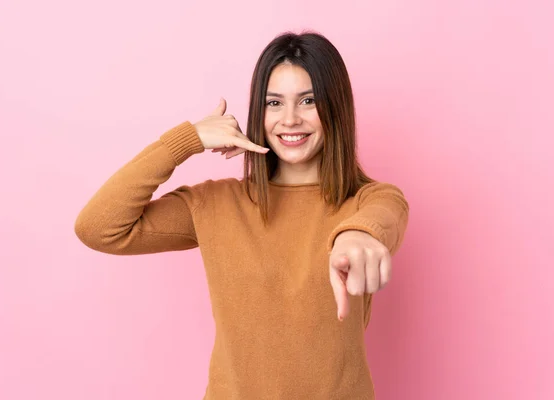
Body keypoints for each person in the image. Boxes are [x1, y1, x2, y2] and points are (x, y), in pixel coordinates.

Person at [75, 31, 409, 400]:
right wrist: (186, 141)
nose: (291, 119)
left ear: (336, 107)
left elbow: (382, 217)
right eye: (274, 103)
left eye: (309, 100)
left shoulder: (370, 201)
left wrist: (358, 234)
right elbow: (99, 228)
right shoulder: (215, 205)